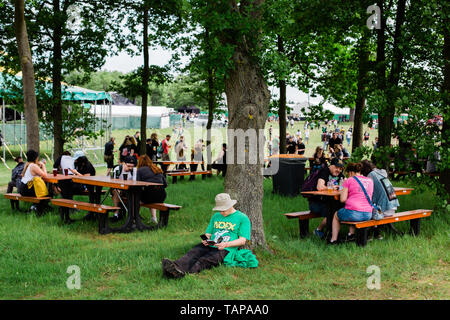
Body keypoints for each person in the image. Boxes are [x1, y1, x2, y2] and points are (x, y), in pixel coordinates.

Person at [161, 193, 258, 278]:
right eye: (219, 210)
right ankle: (175, 267)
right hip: (211, 244)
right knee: (193, 252)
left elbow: (242, 241)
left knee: (205, 260)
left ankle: (184, 273)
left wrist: (226, 244)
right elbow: (208, 233)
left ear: (230, 205)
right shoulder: (216, 216)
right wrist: (206, 239)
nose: (221, 212)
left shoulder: (242, 218)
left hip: (226, 249)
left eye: (223, 210)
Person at [329, 162, 374, 244]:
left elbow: (342, 199)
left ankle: (333, 239)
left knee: (336, 215)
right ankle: (351, 234)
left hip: (354, 214)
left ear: (350, 172)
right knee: (349, 209)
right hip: (368, 214)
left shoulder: (349, 180)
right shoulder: (370, 180)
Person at [308, 158, 345, 239]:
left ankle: (331, 234)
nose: (338, 170)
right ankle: (320, 230)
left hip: (330, 201)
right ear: (330, 166)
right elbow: (319, 187)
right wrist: (333, 187)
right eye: (336, 167)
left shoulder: (340, 175)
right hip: (316, 202)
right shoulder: (324, 171)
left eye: (340, 168)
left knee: (338, 209)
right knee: (333, 212)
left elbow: (345, 185)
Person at [137, 155, 168, 224]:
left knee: (136, 197)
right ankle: (154, 218)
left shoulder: (139, 170)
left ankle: (135, 218)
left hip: (149, 197)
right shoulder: (156, 168)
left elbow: (137, 185)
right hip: (161, 196)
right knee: (151, 192)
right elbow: (165, 184)